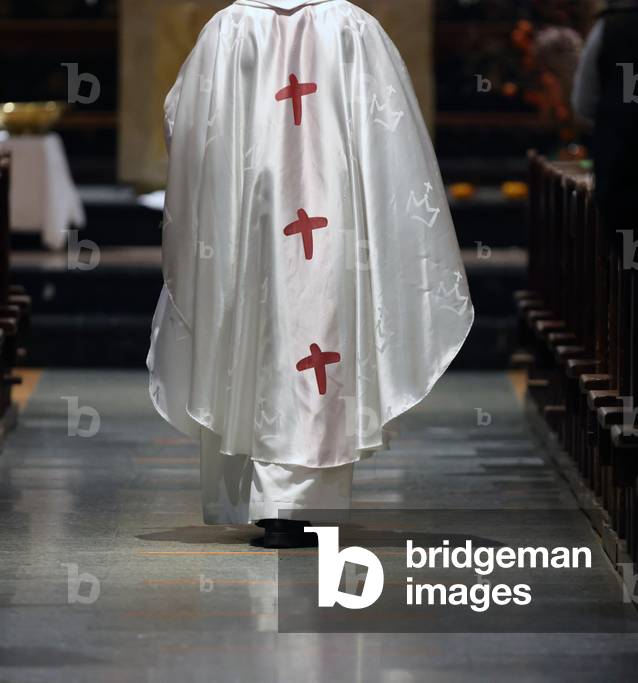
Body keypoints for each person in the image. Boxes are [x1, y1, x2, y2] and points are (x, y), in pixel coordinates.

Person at [148, 0, 474, 547]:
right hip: (335, 213)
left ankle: (280, 502)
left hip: (251, 216)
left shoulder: (230, 28)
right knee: (324, 325)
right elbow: (390, 133)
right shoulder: (352, 28)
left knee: (262, 334)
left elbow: (185, 122)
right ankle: (298, 502)